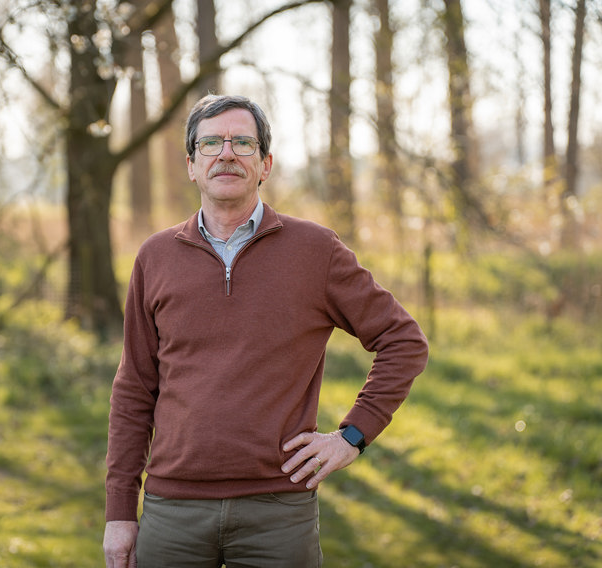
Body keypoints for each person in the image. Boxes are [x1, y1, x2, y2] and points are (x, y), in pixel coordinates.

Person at [103, 94, 429, 567]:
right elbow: (134, 387)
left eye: (243, 143)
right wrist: (119, 511)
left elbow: (404, 342)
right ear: (191, 165)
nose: (226, 154)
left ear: (265, 164)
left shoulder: (315, 250)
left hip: (279, 511)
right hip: (173, 510)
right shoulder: (155, 256)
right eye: (210, 143)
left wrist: (351, 437)